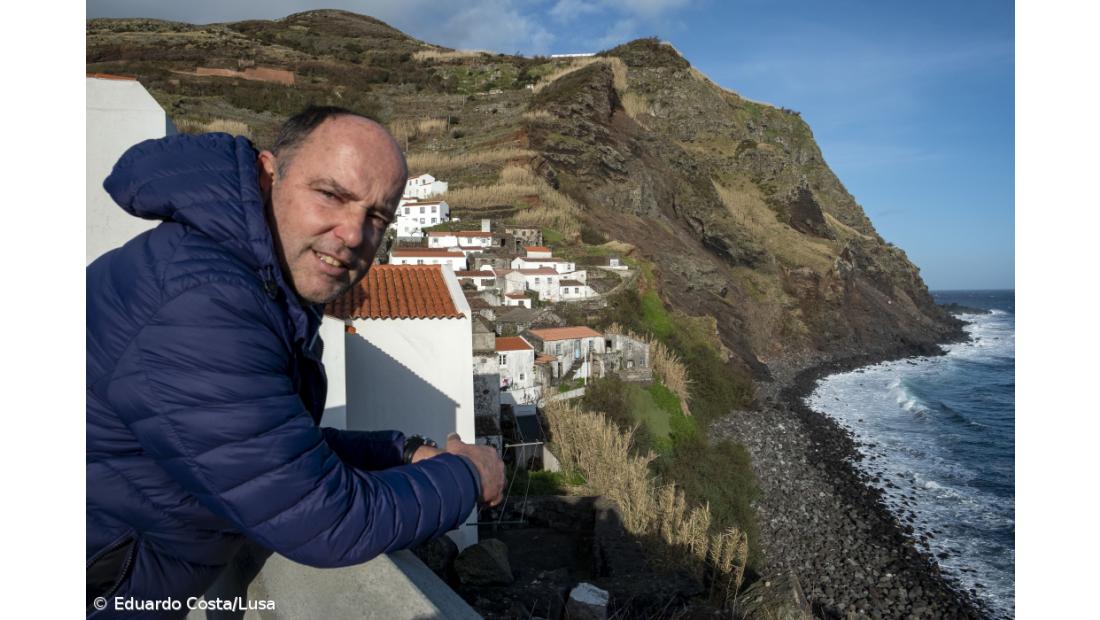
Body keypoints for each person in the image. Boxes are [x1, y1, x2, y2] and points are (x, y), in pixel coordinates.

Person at [86, 106, 505, 619]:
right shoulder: (203, 304)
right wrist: (468, 476)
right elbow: (325, 520)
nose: (354, 235)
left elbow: (265, 448)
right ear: (268, 173)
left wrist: (403, 453)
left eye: (376, 217)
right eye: (331, 194)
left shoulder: (241, 277)